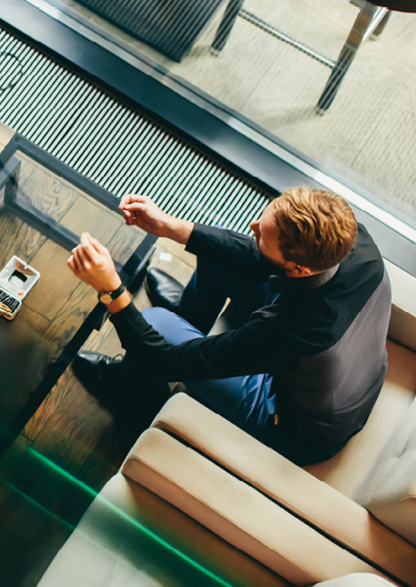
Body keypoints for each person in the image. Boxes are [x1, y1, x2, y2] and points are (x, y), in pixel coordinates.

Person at [66, 186, 390, 465]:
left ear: (300, 268)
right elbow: (255, 256)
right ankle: (186, 318)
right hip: (339, 374)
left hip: (291, 426)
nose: (253, 227)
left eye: (262, 235)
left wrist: (111, 289)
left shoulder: (291, 330)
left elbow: (167, 362)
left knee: (155, 323)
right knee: (217, 249)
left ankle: (132, 391)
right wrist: (170, 227)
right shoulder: (353, 240)